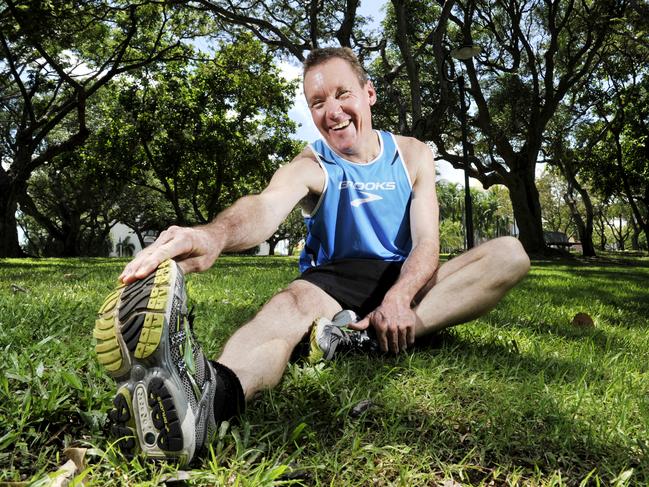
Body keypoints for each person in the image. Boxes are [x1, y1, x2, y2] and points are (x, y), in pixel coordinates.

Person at [94, 47, 530, 465]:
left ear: (369, 94)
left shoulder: (412, 153)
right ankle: (208, 401)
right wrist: (212, 236)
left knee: (510, 253)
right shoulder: (311, 163)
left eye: (342, 94)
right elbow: (265, 206)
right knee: (285, 308)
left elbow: (427, 245)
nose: (333, 111)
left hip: (405, 276)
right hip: (335, 280)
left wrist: (400, 296)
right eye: (317, 102)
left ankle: (362, 338)